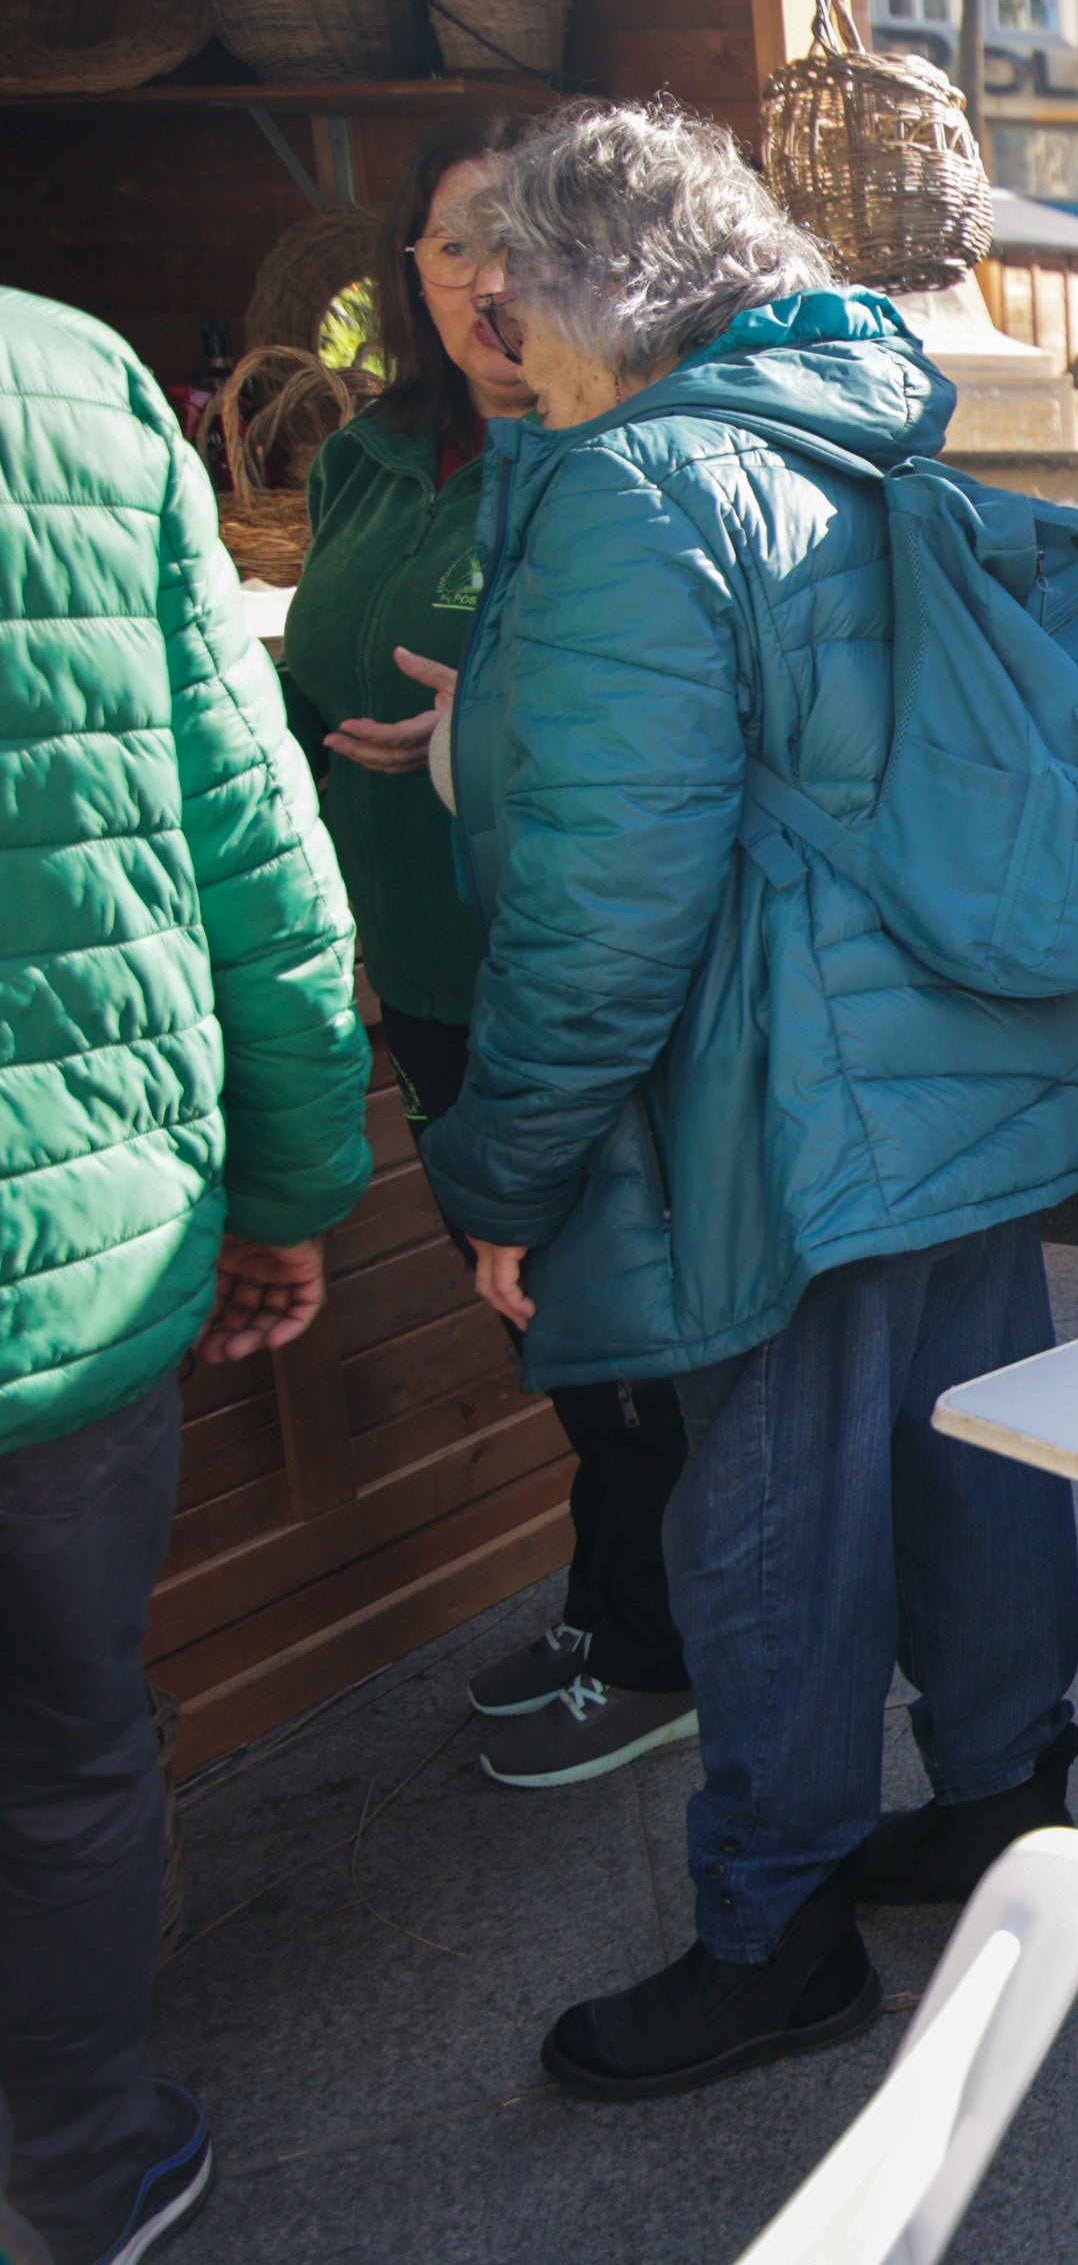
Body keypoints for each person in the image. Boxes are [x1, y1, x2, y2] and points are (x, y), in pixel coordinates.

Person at [408, 103, 1078, 2097]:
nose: (489, 328)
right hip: (960, 1062)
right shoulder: (849, 426)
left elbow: (604, 905)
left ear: (590, 293)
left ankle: (781, 1927)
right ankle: (1003, 1808)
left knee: (773, 1534)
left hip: (779, 1124)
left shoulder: (638, 489)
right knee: (979, 1463)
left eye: (507, 289)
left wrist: (500, 1166)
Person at [2, 288, 375, 2263]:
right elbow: (251, 827)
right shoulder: (70, 388)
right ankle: (80, 2160)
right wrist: (301, 1174)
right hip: (74, 1265)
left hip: (87, 1250)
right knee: (66, 1747)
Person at [276, 114, 699, 1792]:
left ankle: (659, 1644)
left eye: (519, 239)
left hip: (571, 976)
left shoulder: (614, 453)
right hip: (425, 971)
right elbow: (309, 660)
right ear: (413, 270)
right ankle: (612, 1609)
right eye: (454, 241)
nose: (486, 276)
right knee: (543, 1337)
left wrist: (480, 731)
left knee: (610, 1331)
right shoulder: (368, 456)